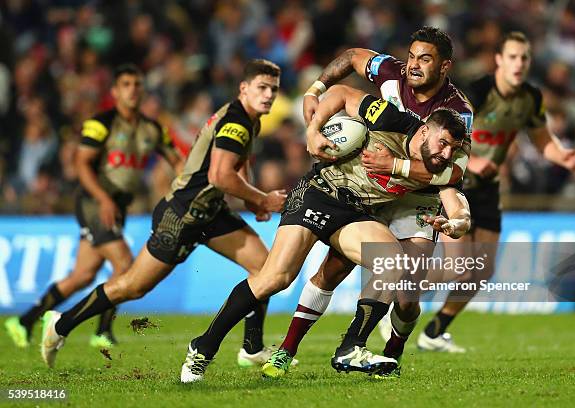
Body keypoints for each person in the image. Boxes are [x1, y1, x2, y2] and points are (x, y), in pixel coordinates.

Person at [178, 83, 470, 383]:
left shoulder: (438, 169)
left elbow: (456, 204)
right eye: (442, 143)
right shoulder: (388, 118)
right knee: (275, 278)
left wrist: (457, 224)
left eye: (452, 149)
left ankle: (350, 347)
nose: (445, 153)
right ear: (424, 132)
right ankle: (202, 347)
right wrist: (314, 128)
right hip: (317, 194)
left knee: (392, 261)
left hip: (356, 213)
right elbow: (342, 92)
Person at [39, 59, 288, 369]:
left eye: (274, 90)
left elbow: (238, 164)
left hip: (210, 212)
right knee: (133, 286)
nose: (268, 95)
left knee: (265, 269)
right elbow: (219, 176)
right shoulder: (236, 122)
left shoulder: (249, 119)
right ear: (244, 88)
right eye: (262, 88)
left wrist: (250, 199)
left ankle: (251, 347)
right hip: (181, 216)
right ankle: (61, 324)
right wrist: (262, 199)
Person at [261, 26, 474, 375]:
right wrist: (315, 90)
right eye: (412, 56)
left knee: (406, 295)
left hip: (416, 198)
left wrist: (397, 165)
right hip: (370, 186)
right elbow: (351, 57)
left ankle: (393, 349)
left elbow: (451, 175)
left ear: (445, 67)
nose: (415, 66)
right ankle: (286, 350)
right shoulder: (393, 74)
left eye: (425, 59)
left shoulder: (457, 112)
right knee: (333, 269)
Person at [413, 31, 575, 352]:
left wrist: (563, 156)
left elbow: (543, 140)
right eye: (513, 56)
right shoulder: (476, 92)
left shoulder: (530, 97)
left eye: (524, 58)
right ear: (500, 60)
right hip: (455, 182)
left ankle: (434, 331)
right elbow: (444, 130)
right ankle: (397, 295)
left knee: (481, 271)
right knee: (456, 267)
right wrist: (471, 161)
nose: (519, 63)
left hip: (487, 189)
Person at [5, 64, 183, 349]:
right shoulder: (101, 123)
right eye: (126, 84)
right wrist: (103, 199)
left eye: (137, 84)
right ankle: (102, 331)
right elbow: (81, 164)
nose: (133, 90)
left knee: (82, 275)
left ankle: (24, 321)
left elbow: (177, 161)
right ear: (114, 91)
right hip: (95, 202)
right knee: (124, 264)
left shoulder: (152, 129)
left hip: (117, 206)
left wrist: (185, 184)